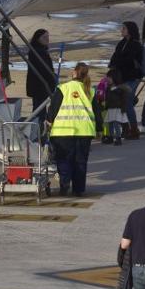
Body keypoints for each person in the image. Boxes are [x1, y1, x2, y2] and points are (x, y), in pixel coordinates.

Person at [46, 62, 96, 196]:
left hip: (63, 131)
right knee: (80, 162)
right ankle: (78, 190)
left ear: (74, 73)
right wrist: (101, 130)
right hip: (84, 132)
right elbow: (96, 111)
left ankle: (64, 185)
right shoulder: (90, 90)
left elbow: (54, 107)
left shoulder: (63, 88)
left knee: (64, 161)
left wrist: (49, 121)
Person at [110, 21, 145, 139]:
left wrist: (117, 63)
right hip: (123, 78)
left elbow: (128, 60)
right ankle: (126, 129)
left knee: (128, 102)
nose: (122, 30)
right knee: (122, 102)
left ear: (130, 30)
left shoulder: (135, 45)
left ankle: (134, 130)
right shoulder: (122, 43)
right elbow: (115, 58)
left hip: (133, 77)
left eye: (124, 28)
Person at [25, 28, 57, 118]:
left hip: (41, 85)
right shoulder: (36, 51)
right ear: (37, 38)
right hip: (39, 85)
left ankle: (39, 126)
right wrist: (52, 78)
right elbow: (43, 69)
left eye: (48, 37)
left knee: (40, 109)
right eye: (44, 37)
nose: (47, 39)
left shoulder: (41, 50)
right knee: (39, 110)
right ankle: (37, 128)